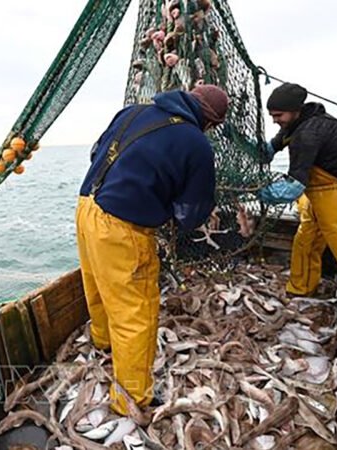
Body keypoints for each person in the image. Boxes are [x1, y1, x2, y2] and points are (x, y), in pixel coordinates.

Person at [76, 84, 228, 415]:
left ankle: (102, 343)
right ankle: (131, 400)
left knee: (98, 285)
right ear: (211, 122)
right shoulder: (197, 143)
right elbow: (190, 214)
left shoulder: (134, 110)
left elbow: (96, 151)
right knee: (136, 313)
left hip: (87, 206)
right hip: (122, 227)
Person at [258, 82, 337, 318]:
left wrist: (260, 192)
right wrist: (234, 136)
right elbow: (267, 152)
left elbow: (292, 188)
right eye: (272, 116)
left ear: (295, 109)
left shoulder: (309, 133)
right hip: (320, 195)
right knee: (306, 242)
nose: (275, 120)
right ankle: (300, 291)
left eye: (278, 115)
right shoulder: (294, 125)